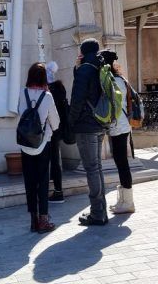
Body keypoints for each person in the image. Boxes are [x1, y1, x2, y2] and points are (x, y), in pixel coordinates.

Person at [68, 38, 109, 226]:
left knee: (92, 169)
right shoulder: (100, 67)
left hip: (86, 126)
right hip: (100, 123)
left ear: (83, 53)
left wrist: (70, 122)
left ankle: (97, 213)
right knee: (97, 167)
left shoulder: (85, 70)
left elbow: (77, 100)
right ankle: (101, 211)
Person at [17, 63, 60, 234]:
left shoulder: (23, 93)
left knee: (29, 182)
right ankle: (43, 220)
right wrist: (47, 126)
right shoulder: (47, 96)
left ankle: (33, 220)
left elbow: (20, 114)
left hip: (25, 144)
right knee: (43, 181)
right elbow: (55, 123)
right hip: (42, 144)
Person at [100, 50, 136, 215]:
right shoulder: (121, 79)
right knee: (121, 162)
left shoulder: (110, 81)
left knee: (122, 163)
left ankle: (127, 202)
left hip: (117, 126)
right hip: (123, 125)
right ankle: (123, 200)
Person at [46, 61, 70, 204]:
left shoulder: (48, 92)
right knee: (55, 158)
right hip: (59, 128)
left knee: (52, 159)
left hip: (51, 129)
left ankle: (58, 192)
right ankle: (57, 187)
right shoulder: (60, 88)